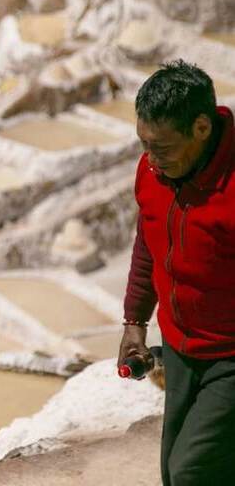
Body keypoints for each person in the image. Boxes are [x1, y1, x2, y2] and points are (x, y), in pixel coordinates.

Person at [117, 60, 235, 486]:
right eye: (144, 144)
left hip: (230, 355)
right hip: (182, 347)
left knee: (193, 472)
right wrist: (134, 322)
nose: (150, 159)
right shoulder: (154, 172)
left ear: (201, 128)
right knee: (173, 470)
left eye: (162, 147)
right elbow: (148, 244)